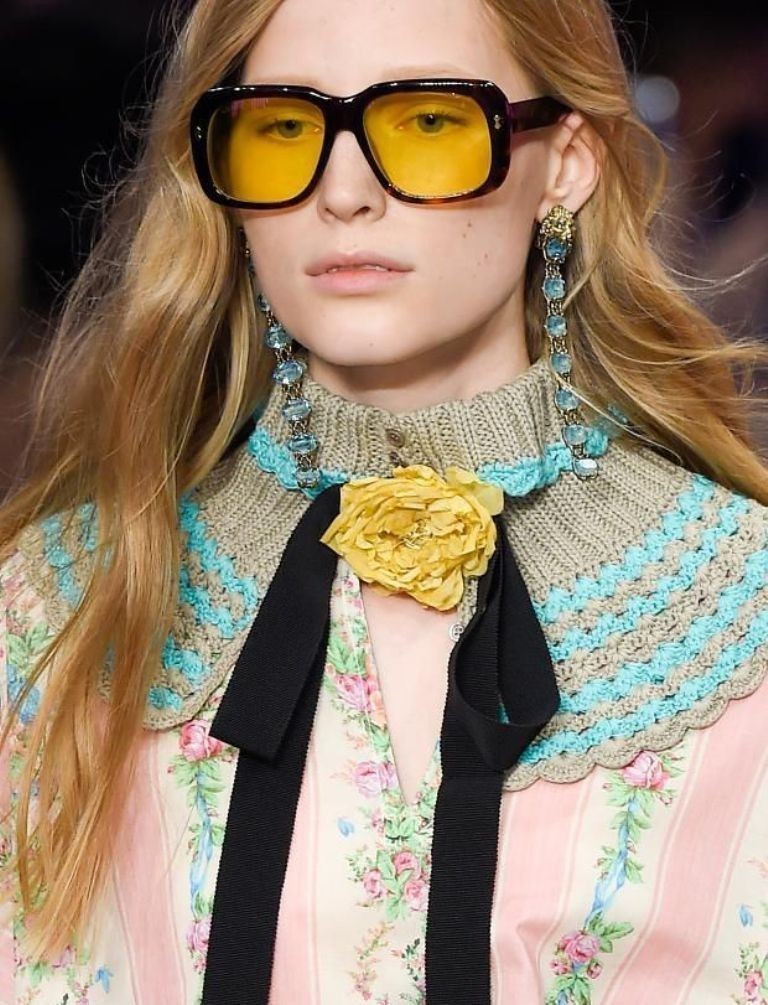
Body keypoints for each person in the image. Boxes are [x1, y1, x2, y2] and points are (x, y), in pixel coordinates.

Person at [0, 0, 766, 1001]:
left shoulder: (743, 617)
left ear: (567, 163)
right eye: (283, 128)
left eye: (430, 121)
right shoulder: (52, 605)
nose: (344, 191)